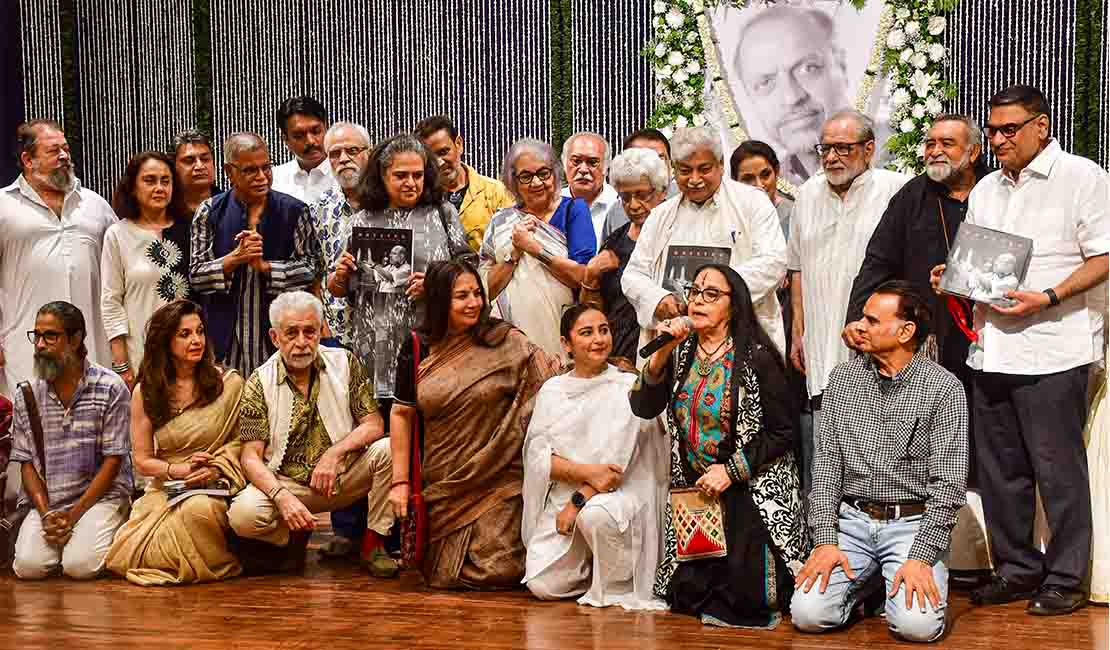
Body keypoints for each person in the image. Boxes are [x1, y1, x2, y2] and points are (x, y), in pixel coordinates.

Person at [930, 85, 1109, 615]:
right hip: (991, 349)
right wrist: (954, 277)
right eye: (993, 130)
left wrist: (1049, 296)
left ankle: (1067, 577)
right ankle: (1017, 568)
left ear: (1042, 126)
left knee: (1058, 470)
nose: (999, 139)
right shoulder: (987, 188)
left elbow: (1105, 256)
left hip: (1056, 347)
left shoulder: (1083, 177)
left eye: (1010, 129)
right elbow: (982, 264)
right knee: (1001, 469)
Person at [845, 114, 991, 578]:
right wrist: (857, 319)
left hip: (996, 341)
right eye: (928, 143)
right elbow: (878, 262)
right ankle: (932, 552)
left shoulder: (995, 193)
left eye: (946, 143)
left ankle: (992, 558)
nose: (934, 151)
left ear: (974, 152)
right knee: (935, 451)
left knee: (991, 449)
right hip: (927, 345)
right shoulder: (911, 197)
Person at [629, 264, 807, 628]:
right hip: (696, 490)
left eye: (711, 294)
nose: (698, 300)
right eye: (694, 292)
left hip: (749, 485)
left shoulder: (757, 357)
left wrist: (730, 471)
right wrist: (661, 353)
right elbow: (643, 407)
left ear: (734, 305)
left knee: (752, 599)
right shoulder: (680, 352)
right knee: (685, 596)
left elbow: (782, 432)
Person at [791, 282, 968, 643]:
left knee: (916, 627)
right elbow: (825, 467)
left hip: (911, 524)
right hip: (853, 521)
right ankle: (870, 584)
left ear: (905, 331)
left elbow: (949, 484)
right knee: (808, 614)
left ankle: (890, 577)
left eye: (872, 320)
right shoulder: (843, 379)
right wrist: (825, 540)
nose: (860, 327)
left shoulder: (943, 388)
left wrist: (920, 557)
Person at [389, 260, 559, 589]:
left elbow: (547, 381)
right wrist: (399, 483)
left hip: (499, 474)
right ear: (439, 300)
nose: (474, 303)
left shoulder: (505, 340)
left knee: (501, 568)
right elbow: (402, 413)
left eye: (477, 294)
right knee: (441, 570)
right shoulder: (417, 346)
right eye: (461, 296)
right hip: (443, 481)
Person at [228, 291, 398, 577]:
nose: (302, 342)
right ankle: (292, 536)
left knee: (392, 448)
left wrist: (334, 453)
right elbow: (250, 457)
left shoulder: (344, 362)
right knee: (243, 516)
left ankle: (373, 543)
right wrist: (281, 496)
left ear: (320, 331)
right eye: (291, 333)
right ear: (274, 337)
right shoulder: (259, 381)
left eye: (310, 331)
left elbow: (373, 424)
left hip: (344, 477)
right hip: (289, 485)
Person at [787, 110, 909, 490]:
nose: (831, 157)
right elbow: (796, 269)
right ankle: (826, 542)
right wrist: (798, 330)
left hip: (880, 345)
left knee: (880, 462)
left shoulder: (896, 190)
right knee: (827, 462)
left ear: (869, 149)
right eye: (825, 148)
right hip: (822, 343)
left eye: (843, 148)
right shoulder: (807, 195)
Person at [522, 304, 668, 610]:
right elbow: (539, 458)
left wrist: (577, 503)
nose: (599, 339)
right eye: (587, 333)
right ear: (566, 344)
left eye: (604, 330)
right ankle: (593, 571)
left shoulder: (626, 386)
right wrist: (585, 474)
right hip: (568, 490)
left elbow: (614, 471)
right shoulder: (554, 390)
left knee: (595, 516)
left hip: (618, 494)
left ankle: (615, 582)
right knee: (543, 584)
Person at [105, 300, 246, 585]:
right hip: (167, 486)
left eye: (200, 332)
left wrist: (215, 468)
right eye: (185, 334)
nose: (196, 340)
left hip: (216, 481)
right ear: (164, 341)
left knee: (198, 510)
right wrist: (178, 471)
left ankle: (199, 562)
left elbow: (242, 442)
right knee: (128, 553)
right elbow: (142, 460)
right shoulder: (146, 391)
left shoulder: (228, 384)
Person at [621, 126, 788, 362]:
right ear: (673, 170)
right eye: (685, 171)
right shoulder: (661, 215)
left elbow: (773, 262)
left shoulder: (753, 203)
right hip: (674, 344)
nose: (695, 179)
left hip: (740, 341)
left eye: (704, 169)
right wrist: (658, 299)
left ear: (720, 164)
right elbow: (633, 275)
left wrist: (716, 297)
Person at [328, 133, 470, 400]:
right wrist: (341, 273)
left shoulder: (443, 213)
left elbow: (468, 271)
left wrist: (435, 284)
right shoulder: (362, 220)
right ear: (382, 176)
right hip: (374, 346)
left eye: (418, 175)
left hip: (431, 341)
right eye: (401, 175)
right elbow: (336, 289)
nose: (411, 183)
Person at [10, 301, 133, 579]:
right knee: (28, 567)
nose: (40, 344)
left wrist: (74, 515)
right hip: (50, 503)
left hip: (102, 498)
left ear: (76, 339)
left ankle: (110, 526)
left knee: (80, 566)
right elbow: (26, 463)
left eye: (50, 336)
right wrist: (45, 514)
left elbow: (114, 462)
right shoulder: (28, 394)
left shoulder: (110, 387)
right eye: (37, 336)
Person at [0, 120, 117, 396]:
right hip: (24, 347)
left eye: (66, 149)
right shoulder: (3, 206)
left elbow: (119, 270)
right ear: (28, 159)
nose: (64, 156)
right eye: (54, 151)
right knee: (30, 426)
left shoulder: (95, 205)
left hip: (92, 346)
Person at [190, 132, 316, 376]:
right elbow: (196, 276)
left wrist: (266, 267)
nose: (261, 177)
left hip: (279, 342)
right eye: (250, 170)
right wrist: (233, 259)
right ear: (229, 172)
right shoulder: (209, 211)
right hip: (225, 343)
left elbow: (311, 269)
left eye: (266, 167)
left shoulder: (294, 210)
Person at [480, 138, 595, 356]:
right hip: (509, 339)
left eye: (544, 173)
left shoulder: (574, 210)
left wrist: (536, 249)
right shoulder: (501, 221)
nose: (536, 183)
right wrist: (515, 252)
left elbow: (583, 277)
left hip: (561, 332)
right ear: (512, 181)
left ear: (555, 174)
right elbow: (487, 290)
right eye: (526, 176)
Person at [731, 4, 852, 185]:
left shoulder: (899, 155)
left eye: (808, 68)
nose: (792, 97)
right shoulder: (760, 192)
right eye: (766, 82)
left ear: (841, 67)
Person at [101, 151, 192, 390]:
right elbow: (111, 301)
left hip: (191, 356)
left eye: (166, 180)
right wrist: (122, 364)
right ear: (132, 187)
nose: (159, 188)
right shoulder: (118, 235)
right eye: (150, 180)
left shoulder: (192, 230)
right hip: (140, 355)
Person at [580, 148, 669, 360]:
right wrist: (591, 275)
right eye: (625, 197)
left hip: (661, 352)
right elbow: (593, 312)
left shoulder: (677, 236)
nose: (634, 205)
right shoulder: (616, 240)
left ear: (662, 191)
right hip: (618, 354)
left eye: (642, 195)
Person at [311, 121, 372, 350]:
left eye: (352, 151)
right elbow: (312, 276)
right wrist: (322, 328)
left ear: (369, 152)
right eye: (335, 154)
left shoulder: (391, 202)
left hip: (386, 328)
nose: (344, 159)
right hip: (337, 333)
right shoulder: (318, 208)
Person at [415, 114, 515, 252]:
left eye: (444, 151)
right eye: (430, 157)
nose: (439, 162)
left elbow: (512, 248)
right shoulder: (417, 199)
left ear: (459, 144)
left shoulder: (497, 193)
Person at [599, 128, 677, 243]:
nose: (634, 206)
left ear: (671, 163)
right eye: (638, 158)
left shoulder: (687, 201)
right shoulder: (616, 212)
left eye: (659, 158)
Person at [560, 132, 620, 249]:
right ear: (564, 164)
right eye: (576, 161)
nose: (583, 169)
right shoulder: (550, 204)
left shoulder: (620, 205)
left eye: (592, 162)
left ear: (606, 167)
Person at [271, 96, 335, 204]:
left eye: (316, 131)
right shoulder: (274, 181)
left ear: (326, 128)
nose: (310, 141)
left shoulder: (346, 175)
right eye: (299, 135)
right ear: (285, 139)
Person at [168, 128, 221, 224]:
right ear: (173, 167)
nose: (199, 166)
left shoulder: (231, 206)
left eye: (205, 159)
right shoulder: (163, 210)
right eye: (189, 160)